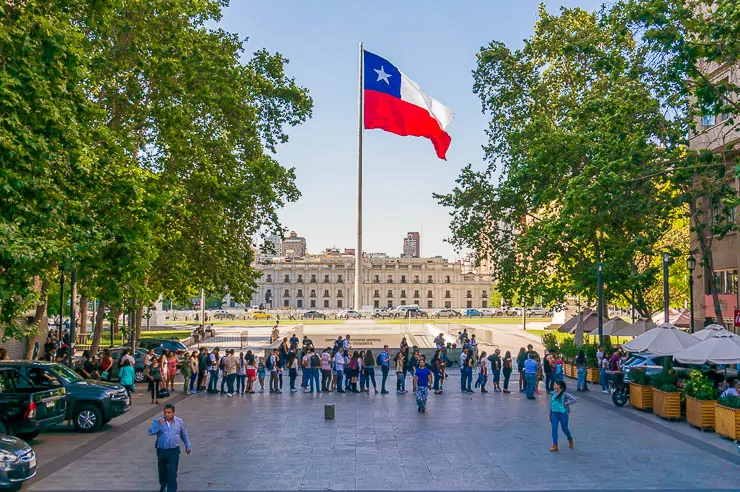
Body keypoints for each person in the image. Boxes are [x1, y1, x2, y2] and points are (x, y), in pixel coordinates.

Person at [147, 403, 192, 492]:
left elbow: (183, 434)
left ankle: (172, 489)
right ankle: (163, 484)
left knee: (172, 471)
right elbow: (150, 432)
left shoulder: (179, 421)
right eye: (165, 412)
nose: (167, 414)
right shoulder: (159, 421)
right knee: (162, 471)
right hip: (162, 451)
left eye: (169, 412)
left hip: (173, 451)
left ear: (173, 413)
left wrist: (188, 445)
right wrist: (158, 426)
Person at [549, 380, 577, 452]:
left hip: (563, 413)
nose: (553, 386)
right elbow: (552, 404)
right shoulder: (553, 394)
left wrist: (567, 403)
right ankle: (555, 445)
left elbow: (574, 400)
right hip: (554, 413)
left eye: (555, 385)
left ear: (559, 386)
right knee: (554, 428)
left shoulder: (565, 394)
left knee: (565, 429)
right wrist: (550, 413)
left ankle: (569, 438)